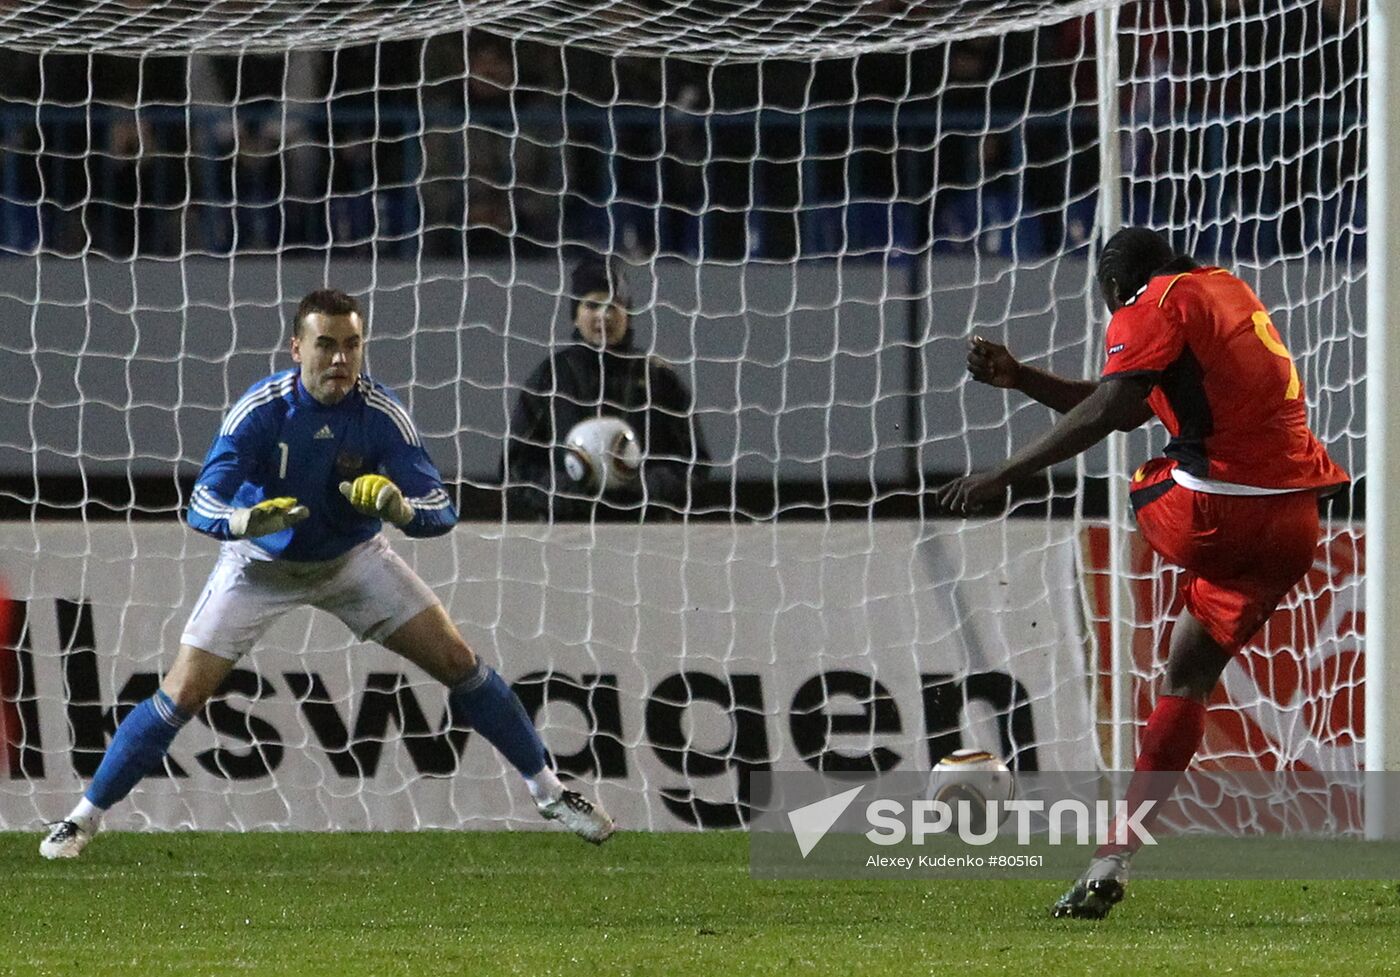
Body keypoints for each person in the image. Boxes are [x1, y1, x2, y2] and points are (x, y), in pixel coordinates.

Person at [40, 289, 614, 859]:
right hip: (259, 567)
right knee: (183, 692)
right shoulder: (262, 410)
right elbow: (201, 503)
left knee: (459, 662)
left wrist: (400, 508)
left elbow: (441, 505)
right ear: (296, 348)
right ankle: (83, 819)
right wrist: (243, 519)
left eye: (352, 345)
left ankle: (550, 792)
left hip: (352, 562)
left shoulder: (381, 413)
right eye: (326, 345)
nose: (340, 359)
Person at [938, 227, 1347, 919]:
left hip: (1213, 510)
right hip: (1295, 522)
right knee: (1186, 676)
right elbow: (1125, 400)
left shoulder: (1151, 301)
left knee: (1148, 477)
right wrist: (1021, 377)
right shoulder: (1227, 293)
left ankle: (1117, 852)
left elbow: (1110, 410)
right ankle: (1113, 857)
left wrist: (1002, 473)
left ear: (1119, 291)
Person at [503, 255, 709, 520]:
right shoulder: (550, 378)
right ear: (575, 315)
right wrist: (564, 492)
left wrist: (643, 488)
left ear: (628, 314)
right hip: (568, 532)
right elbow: (515, 467)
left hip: (644, 533)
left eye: (613, 305)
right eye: (592, 305)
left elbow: (695, 462)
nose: (604, 315)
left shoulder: (658, 378)